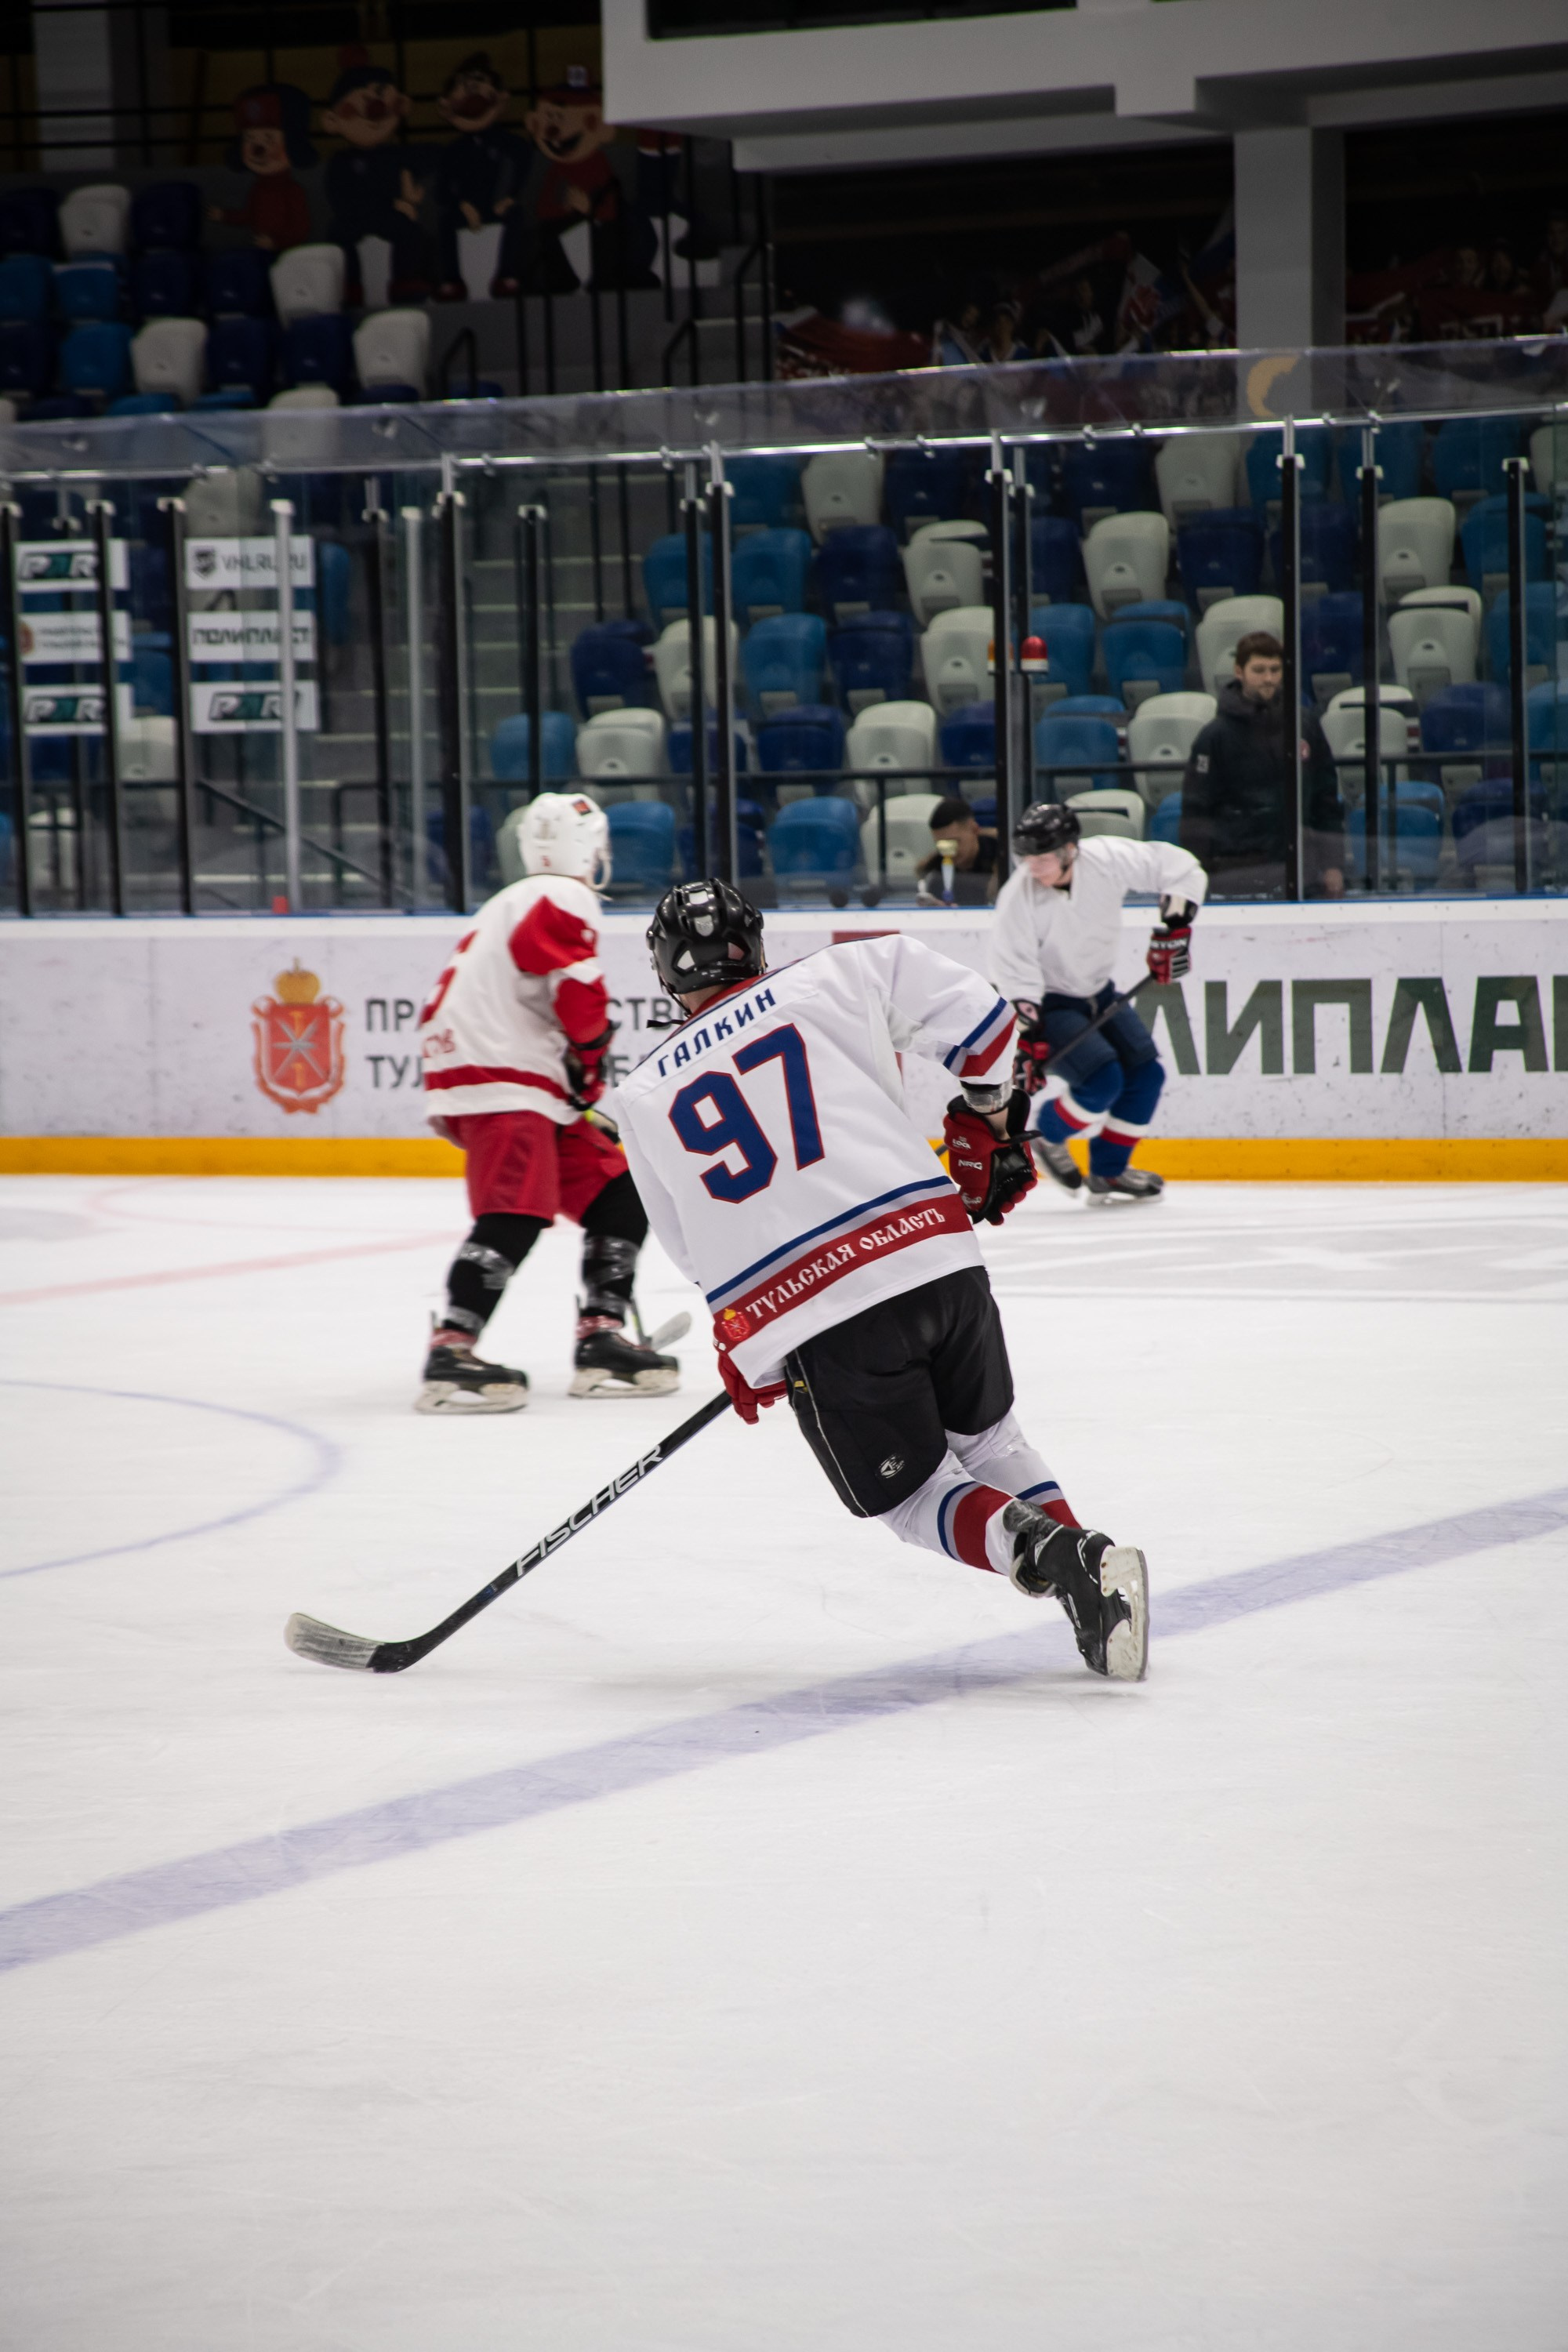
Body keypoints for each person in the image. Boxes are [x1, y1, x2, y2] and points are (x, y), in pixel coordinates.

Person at [612, 880, 1149, 1682]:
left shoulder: (641, 1095)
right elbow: (986, 1025)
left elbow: (693, 1248)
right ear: (754, 946)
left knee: (911, 1498)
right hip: (934, 1256)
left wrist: (757, 1341)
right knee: (991, 1440)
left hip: (823, 1316)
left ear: (665, 977)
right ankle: (1090, 1574)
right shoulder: (841, 972)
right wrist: (987, 1118)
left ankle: (1045, 1549)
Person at [414, 792, 680, 1413]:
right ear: (589, 846)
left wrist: (577, 1073)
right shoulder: (564, 894)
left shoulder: (511, 899)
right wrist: (589, 1059)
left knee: (619, 1192)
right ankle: (451, 1349)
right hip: (505, 1072)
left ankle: (602, 1337)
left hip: (507, 1070)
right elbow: (578, 989)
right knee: (517, 1209)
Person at [990, 801, 1206, 1204]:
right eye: (1028, 856)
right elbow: (1015, 973)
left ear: (1070, 848)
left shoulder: (1107, 858)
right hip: (1051, 1004)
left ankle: (1109, 1172)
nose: (1034, 865)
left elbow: (1181, 868)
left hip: (1099, 991)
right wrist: (1025, 1038)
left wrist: (1176, 926)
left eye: (1044, 855)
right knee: (1102, 1083)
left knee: (1146, 1078)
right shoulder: (1017, 899)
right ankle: (1049, 1137)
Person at [1179, 630, 1345, 899]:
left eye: (1275, 669)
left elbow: (1325, 800)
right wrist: (1196, 873)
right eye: (1259, 670)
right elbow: (1196, 812)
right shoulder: (1215, 736)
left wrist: (1333, 865)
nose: (1268, 678)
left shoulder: (1304, 724)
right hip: (1236, 874)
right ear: (1239, 671)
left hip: (1300, 870)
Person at [321, 51, 430, 305]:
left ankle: (405, 280)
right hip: (355, 216)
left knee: (409, 231)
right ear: (332, 120)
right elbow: (339, 198)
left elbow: (429, 159)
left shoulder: (397, 155)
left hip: (389, 216)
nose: (374, 108)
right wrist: (392, 204)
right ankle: (351, 284)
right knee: (339, 233)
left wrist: (409, 197)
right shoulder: (341, 160)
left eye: (381, 97)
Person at [914, 796, 1000, 906]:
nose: (949, 851)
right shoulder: (933, 874)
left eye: (954, 842)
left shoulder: (1003, 861)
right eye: (942, 845)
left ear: (975, 830)